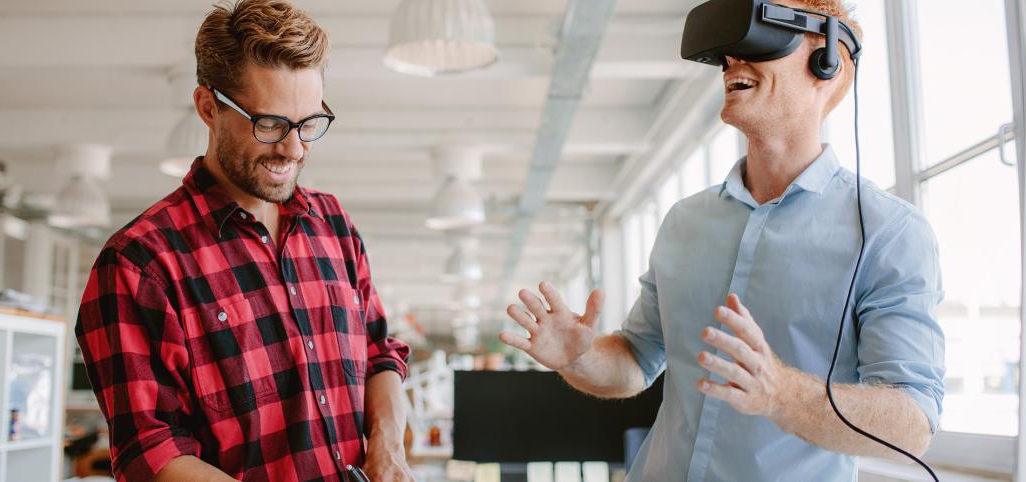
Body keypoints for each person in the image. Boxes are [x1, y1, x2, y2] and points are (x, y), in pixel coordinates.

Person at [500, 1, 945, 480]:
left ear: (828, 62)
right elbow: (635, 361)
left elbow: (913, 424)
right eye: (729, 51)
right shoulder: (685, 220)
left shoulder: (888, 232)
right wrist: (580, 358)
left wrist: (781, 393)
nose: (732, 60)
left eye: (759, 41)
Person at [74, 1, 413, 480]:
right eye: (270, 124)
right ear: (208, 107)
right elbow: (149, 453)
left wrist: (388, 450)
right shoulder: (140, 264)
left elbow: (381, 355)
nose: (294, 149)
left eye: (310, 123)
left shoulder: (333, 224)